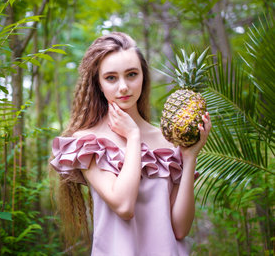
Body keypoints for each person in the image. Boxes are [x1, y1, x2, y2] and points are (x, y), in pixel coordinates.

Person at [50, 32, 211, 255]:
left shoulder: (166, 140)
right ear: (99, 83)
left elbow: (180, 229)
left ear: (143, 77)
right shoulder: (87, 143)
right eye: (111, 78)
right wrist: (133, 137)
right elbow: (124, 206)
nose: (123, 87)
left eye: (131, 74)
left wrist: (190, 156)